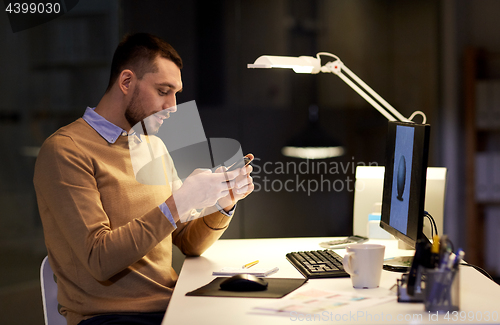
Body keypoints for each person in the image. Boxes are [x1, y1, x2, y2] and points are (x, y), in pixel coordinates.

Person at [33, 33, 254, 325]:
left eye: (176, 93)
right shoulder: (65, 151)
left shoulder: (153, 147)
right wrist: (181, 201)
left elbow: (187, 242)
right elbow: (99, 259)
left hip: (171, 307)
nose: (173, 106)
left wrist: (225, 202)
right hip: (109, 317)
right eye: (163, 91)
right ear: (126, 82)